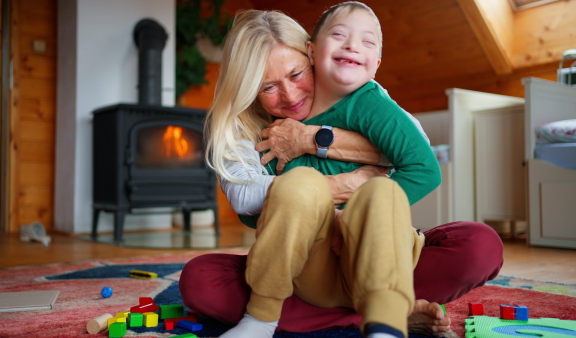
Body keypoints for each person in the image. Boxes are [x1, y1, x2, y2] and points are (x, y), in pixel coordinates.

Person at [180, 4, 503, 338]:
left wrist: (314, 139)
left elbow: (417, 148)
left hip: (381, 249)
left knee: (479, 245)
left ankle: (365, 311)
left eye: (296, 74)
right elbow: (244, 195)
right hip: (307, 267)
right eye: (268, 87)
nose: (290, 96)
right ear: (248, 92)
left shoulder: (355, 92)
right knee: (200, 280)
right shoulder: (243, 127)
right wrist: (338, 188)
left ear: (313, 56)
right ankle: (388, 313)